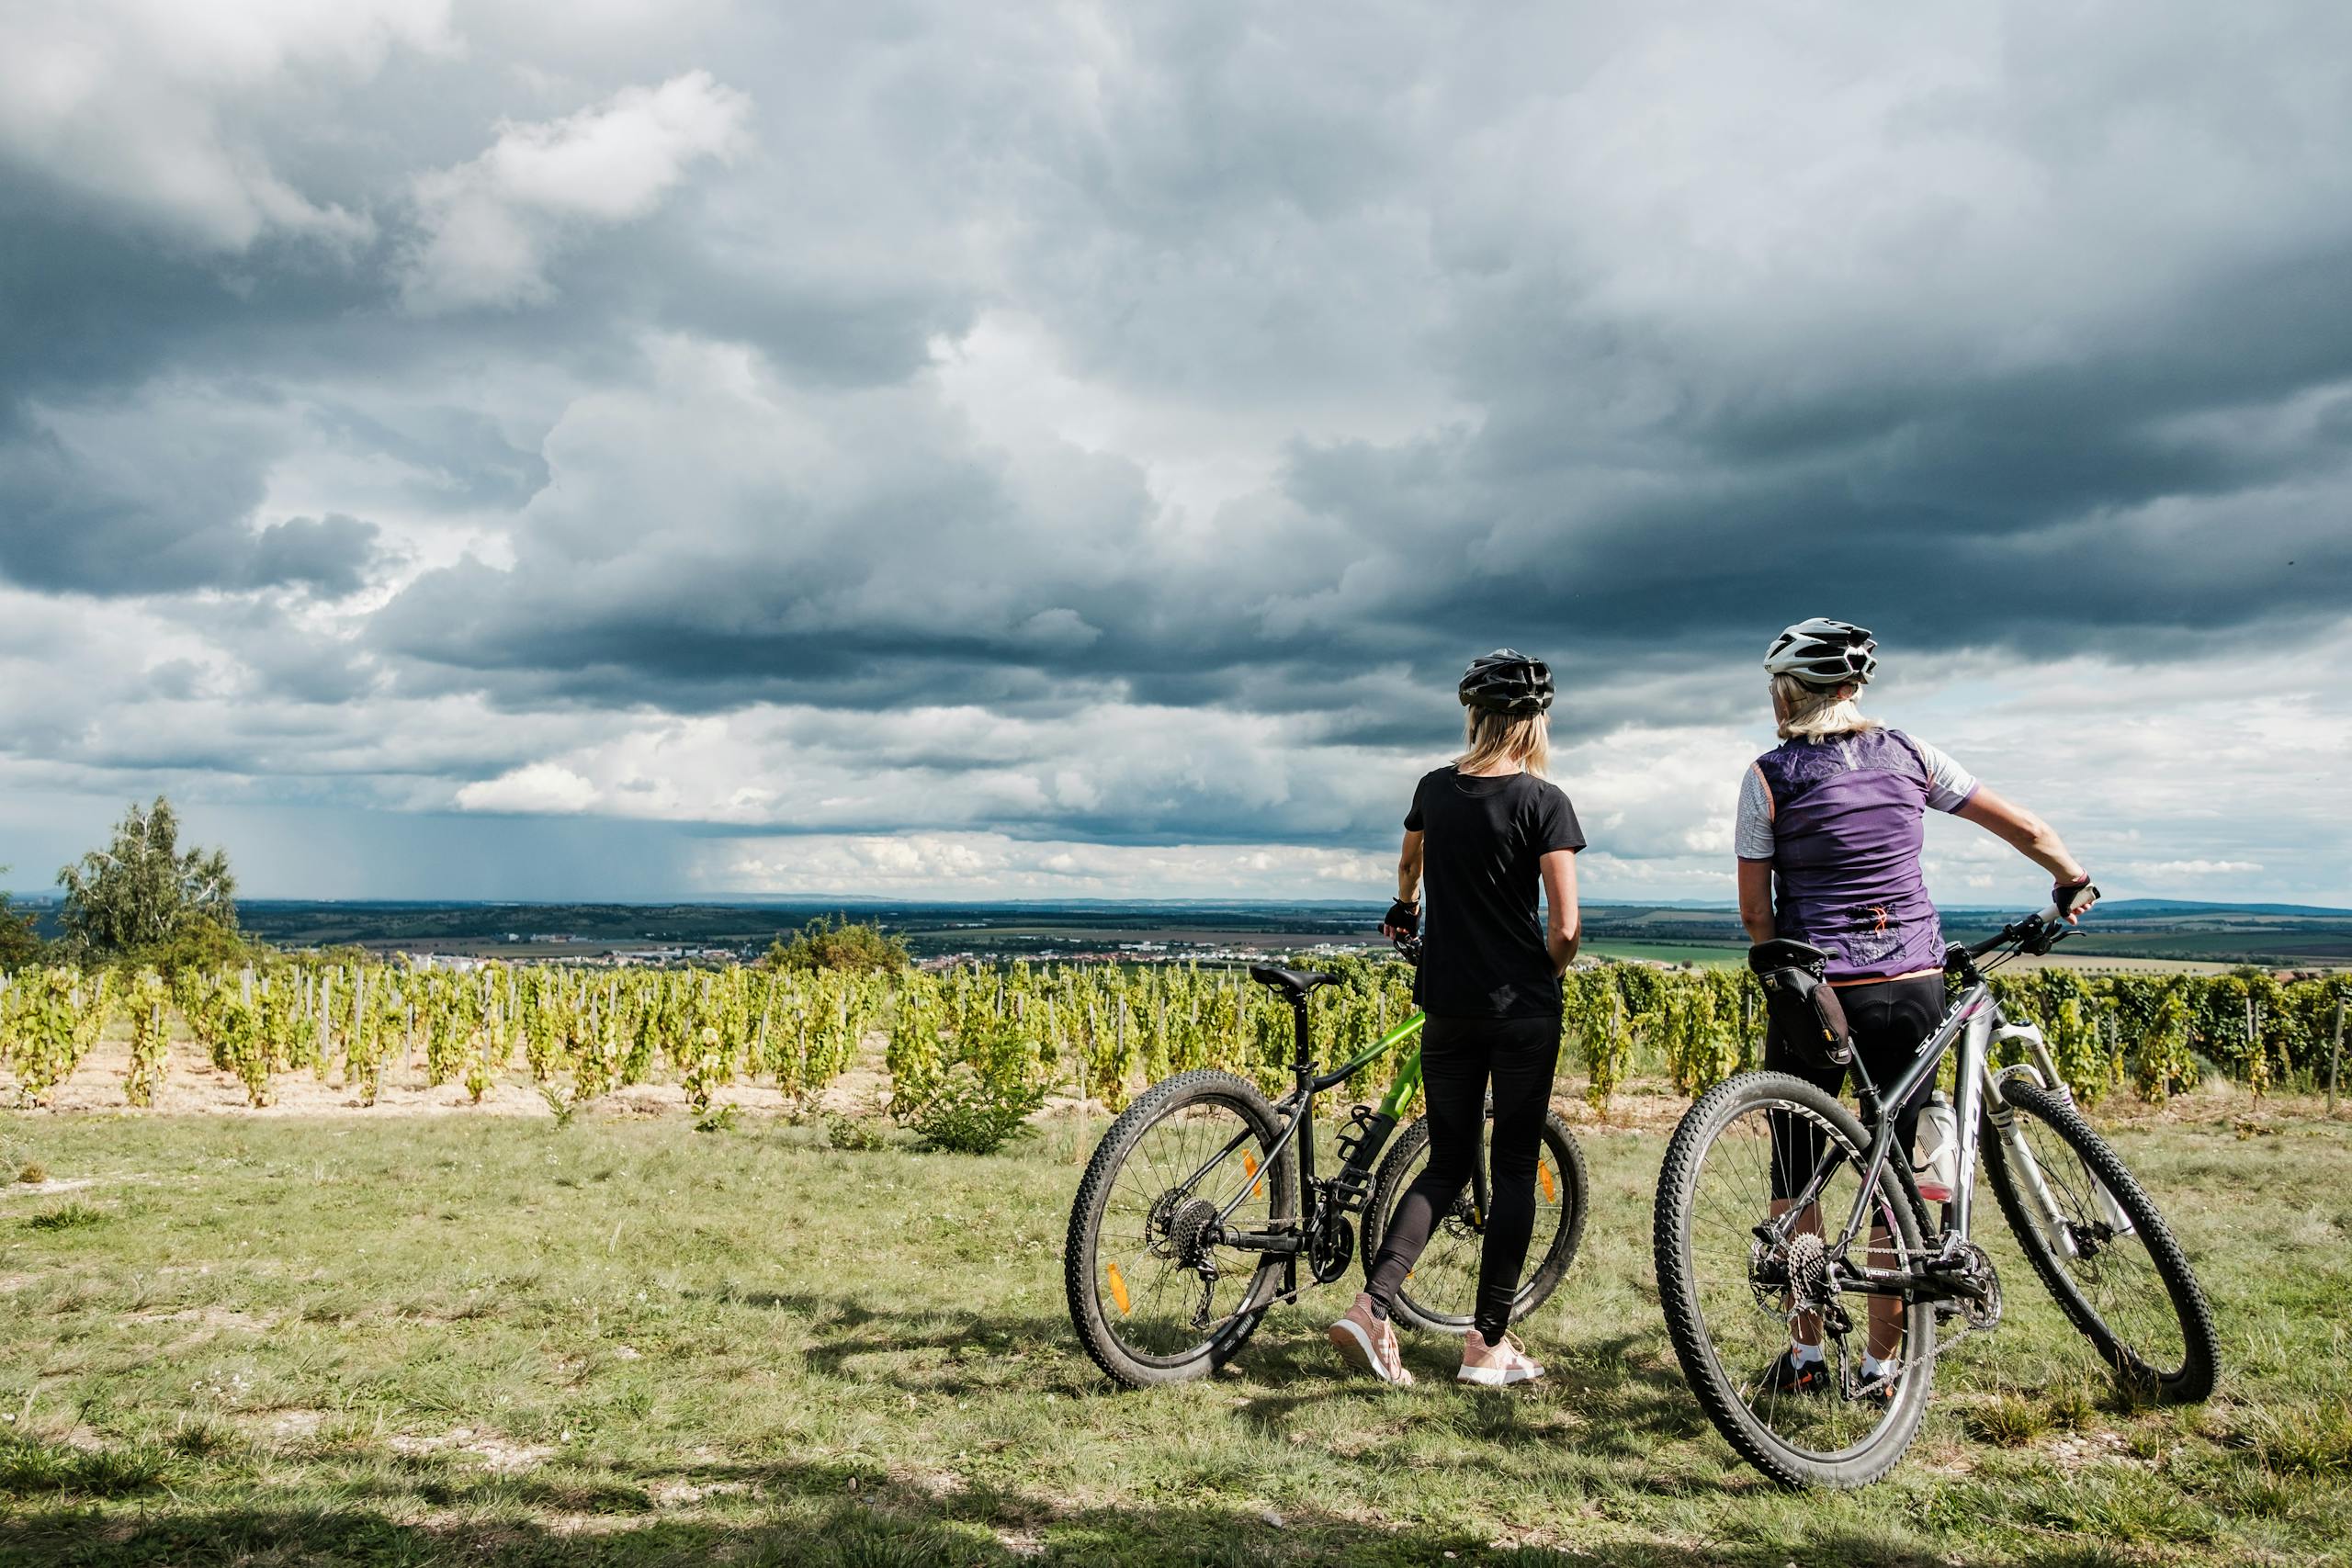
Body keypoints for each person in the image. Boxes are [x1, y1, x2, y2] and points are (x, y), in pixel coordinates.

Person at [1737, 617, 2095, 1397]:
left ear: (1793, 692)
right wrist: (2070, 876)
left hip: (1821, 992)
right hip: (1914, 987)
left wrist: (1779, 977)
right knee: (1894, 1171)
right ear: (1852, 691)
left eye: (1776, 687)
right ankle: (1880, 1369)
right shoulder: (1910, 753)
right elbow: (2025, 826)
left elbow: (1757, 916)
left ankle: (1803, 1360)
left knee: (1797, 1172)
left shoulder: (1768, 775)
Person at [1328, 649, 1584, 1388]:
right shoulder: (1545, 801)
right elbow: (1565, 926)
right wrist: (1539, 977)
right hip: (1520, 1011)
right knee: (1510, 1174)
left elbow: (1409, 870)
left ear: (1474, 716)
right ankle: (1486, 1346)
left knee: (1444, 1161)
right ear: (1534, 722)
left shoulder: (1434, 790)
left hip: (1447, 1004)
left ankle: (1372, 1308)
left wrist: (1407, 909)